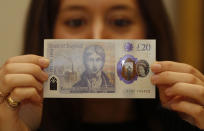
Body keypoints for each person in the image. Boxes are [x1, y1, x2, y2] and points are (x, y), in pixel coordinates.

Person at [0, 0, 203, 131]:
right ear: (48, 30)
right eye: (76, 22)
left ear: (150, 30)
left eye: (120, 21)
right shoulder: (19, 123)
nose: (97, 39)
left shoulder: (186, 123)